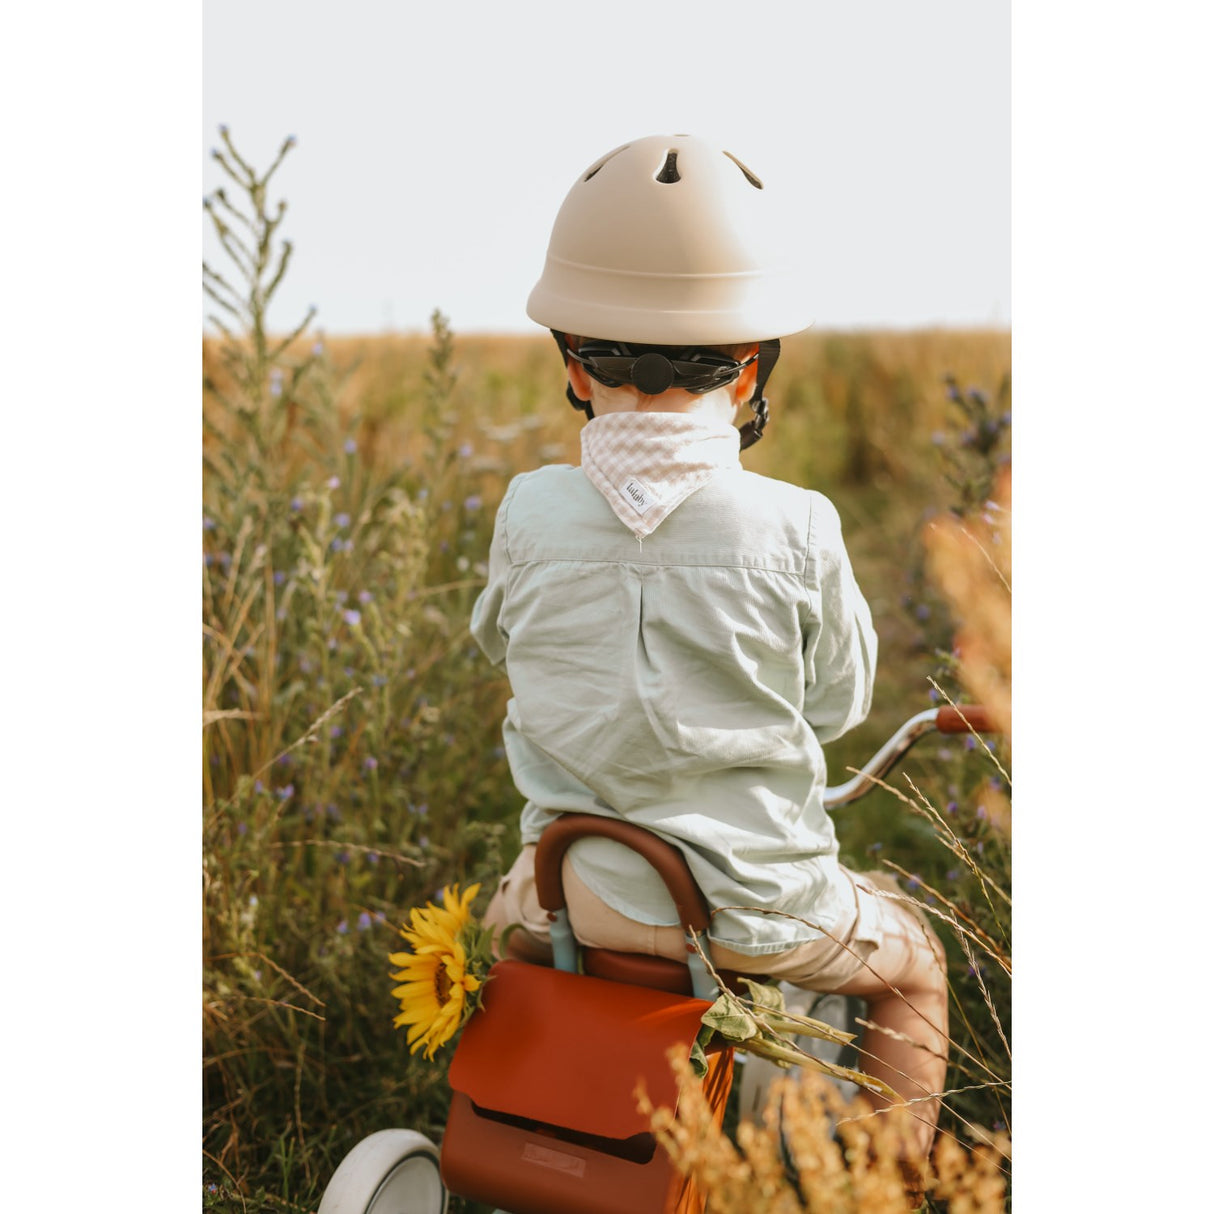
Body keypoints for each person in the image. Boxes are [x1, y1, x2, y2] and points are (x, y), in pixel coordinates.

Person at [470, 134, 948, 1165]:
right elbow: (834, 704)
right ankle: (881, 1186)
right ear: (745, 369)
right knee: (915, 961)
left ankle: (543, 1131)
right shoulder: (797, 524)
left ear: (570, 361)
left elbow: (493, 640)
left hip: (568, 891)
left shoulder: (527, 507)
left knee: (493, 921)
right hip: (748, 903)